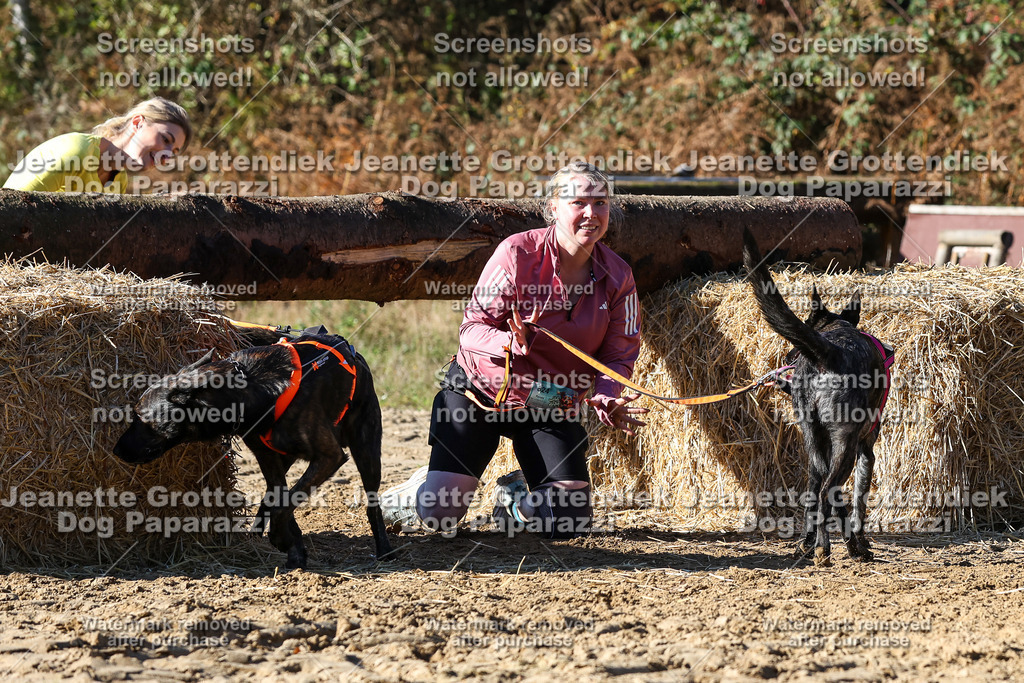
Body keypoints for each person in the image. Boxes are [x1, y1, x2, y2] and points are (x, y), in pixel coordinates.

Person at [381, 161, 647, 539]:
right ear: (553, 207)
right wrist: (508, 342)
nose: (592, 213)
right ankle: (415, 494)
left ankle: (515, 500)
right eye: (579, 203)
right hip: (480, 394)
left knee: (569, 521)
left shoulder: (619, 276)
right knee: (440, 514)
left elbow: (620, 353)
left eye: (601, 203)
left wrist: (606, 395)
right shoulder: (516, 254)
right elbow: (471, 329)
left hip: (548, 403)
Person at [2, 97, 191, 193]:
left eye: (173, 153)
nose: (166, 157)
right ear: (137, 123)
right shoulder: (75, 152)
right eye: (166, 140)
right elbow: (11, 213)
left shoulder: (119, 182)